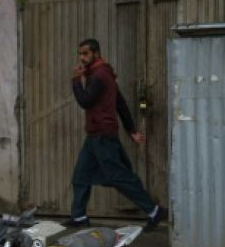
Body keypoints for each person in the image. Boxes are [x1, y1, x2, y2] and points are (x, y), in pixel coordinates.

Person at [66, 38, 166, 232]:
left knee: (119, 177)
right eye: (80, 54)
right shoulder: (103, 73)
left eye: (85, 53)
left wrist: (76, 81)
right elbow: (120, 103)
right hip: (95, 135)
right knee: (80, 176)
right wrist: (132, 131)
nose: (81, 57)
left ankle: (154, 210)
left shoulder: (100, 75)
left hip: (102, 135)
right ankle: (79, 216)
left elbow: (85, 101)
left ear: (96, 53)